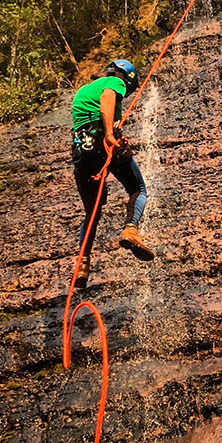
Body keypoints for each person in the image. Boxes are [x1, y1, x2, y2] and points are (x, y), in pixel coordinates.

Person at [71, 59, 154, 288]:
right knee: (138, 189)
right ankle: (130, 230)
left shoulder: (84, 91)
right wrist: (109, 134)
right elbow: (107, 99)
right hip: (102, 143)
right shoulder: (114, 82)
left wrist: (114, 131)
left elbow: (89, 118)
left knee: (93, 212)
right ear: (125, 77)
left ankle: (82, 263)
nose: (124, 95)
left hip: (82, 153)